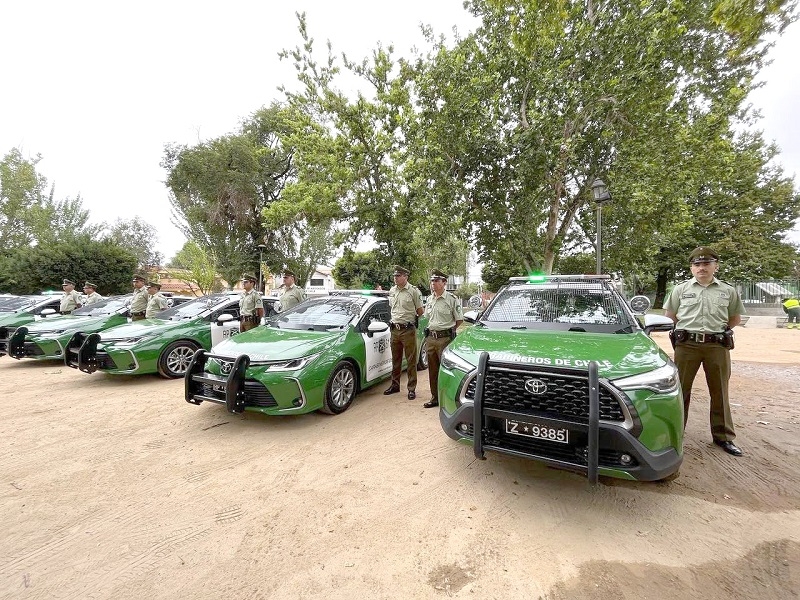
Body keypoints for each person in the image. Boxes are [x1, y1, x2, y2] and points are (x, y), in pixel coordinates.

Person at [664, 247, 746, 456]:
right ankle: (675, 434)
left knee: (720, 390)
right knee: (680, 390)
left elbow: (734, 319)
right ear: (691, 268)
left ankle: (724, 437)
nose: (701, 268)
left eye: (706, 264)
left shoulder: (727, 291)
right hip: (686, 346)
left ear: (715, 266)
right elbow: (670, 316)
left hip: (716, 345)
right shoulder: (680, 290)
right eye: (697, 264)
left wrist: (714, 332)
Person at [422, 269, 463, 408]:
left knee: (446, 370)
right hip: (431, 338)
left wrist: (448, 331)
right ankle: (435, 398)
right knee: (432, 370)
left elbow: (459, 320)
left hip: (445, 339)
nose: (433, 283)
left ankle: (448, 399)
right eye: (432, 281)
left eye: (436, 280)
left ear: (444, 283)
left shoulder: (451, 299)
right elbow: (427, 318)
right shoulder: (429, 299)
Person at [384, 266, 425, 400]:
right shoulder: (392, 290)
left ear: (405, 277)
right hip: (394, 330)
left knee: (411, 360)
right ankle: (395, 385)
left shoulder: (413, 291)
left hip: (408, 330)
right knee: (395, 360)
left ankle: (411, 389)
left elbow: (420, 311)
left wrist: (410, 321)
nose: (395, 278)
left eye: (398, 276)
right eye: (394, 276)